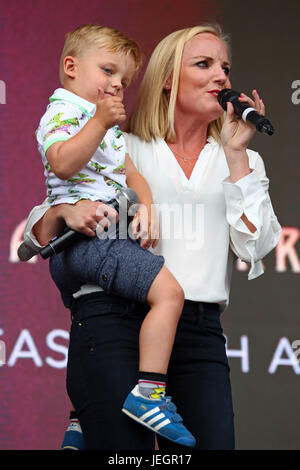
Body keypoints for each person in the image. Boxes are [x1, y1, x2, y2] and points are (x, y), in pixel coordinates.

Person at [22, 24, 281, 450]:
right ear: (167, 79)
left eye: (226, 68)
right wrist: (64, 212)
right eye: (205, 64)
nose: (223, 78)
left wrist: (236, 156)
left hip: (199, 331)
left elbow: (256, 247)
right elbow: (40, 228)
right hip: (117, 320)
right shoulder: (121, 143)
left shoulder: (242, 157)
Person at [33, 23, 196, 448]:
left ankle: (80, 424)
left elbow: (131, 173)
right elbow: (64, 162)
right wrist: (101, 121)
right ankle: (149, 393)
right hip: (90, 243)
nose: (115, 87)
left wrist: (147, 205)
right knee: (170, 294)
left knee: (113, 328)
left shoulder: (101, 124)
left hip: (97, 246)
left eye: (123, 82)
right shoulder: (65, 112)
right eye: (107, 71)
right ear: (70, 67)